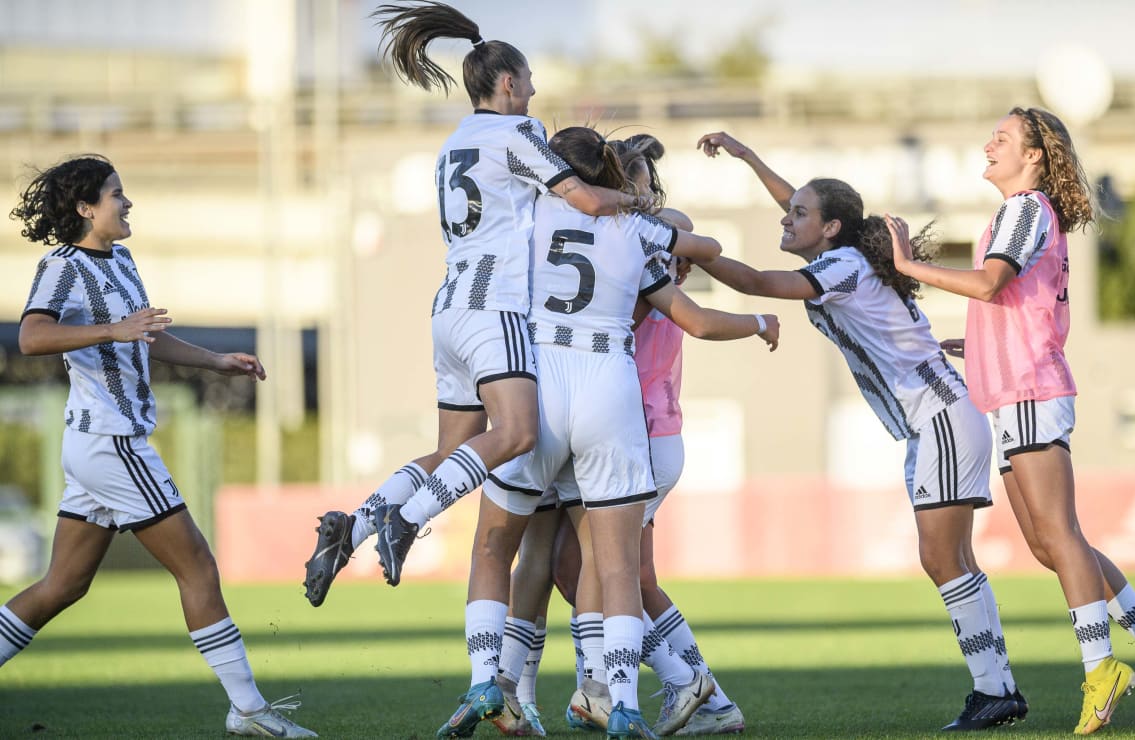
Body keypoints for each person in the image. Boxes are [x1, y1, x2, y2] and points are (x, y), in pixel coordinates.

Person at [302, 0, 652, 607]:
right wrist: (638, 205)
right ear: (510, 83)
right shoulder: (520, 132)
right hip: (496, 309)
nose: (536, 97)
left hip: (449, 310)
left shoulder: (453, 142)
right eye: (532, 84)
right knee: (515, 434)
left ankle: (353, 525)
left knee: (451, 450)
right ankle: (407, 519)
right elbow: (586, 202)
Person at [445, 125, 777, 740]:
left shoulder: (529, 223)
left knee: (534, 554)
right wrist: (640, 211)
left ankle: (527, 684)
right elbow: (700, 264)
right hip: (614, 403)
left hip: (559, 401)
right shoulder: (641, 232)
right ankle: (603, 695)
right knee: (586, 565)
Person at [696, 131, 1028, 731]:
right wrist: (748, 159)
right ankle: (996, 687)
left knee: (941, 557)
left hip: (941, 415)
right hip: (937, 418)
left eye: (800, 214)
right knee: (952, 558)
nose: (787, 217)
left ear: (829, 229)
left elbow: (756, 282)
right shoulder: (841, 252)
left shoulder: (844, 265)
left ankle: (994, 688)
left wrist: (685, 247)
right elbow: (798, 209)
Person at [885, 106, 1135, 735]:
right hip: (1015, 392)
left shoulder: (1027, 207)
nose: (988, 144)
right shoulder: (1018, 211)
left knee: (1060, 535)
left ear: (1033, 155)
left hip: (1030, 391)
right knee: (1050, 541)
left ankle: (1101, 667)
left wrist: (908, 265)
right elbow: (1018, 304)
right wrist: (974, 343)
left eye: (1001, 138)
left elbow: (992, 282)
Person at [1, 155, 315, 738]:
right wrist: (110, 331)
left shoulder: (120, 257)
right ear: (85, 208)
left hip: (97, 444)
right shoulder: (62, 267)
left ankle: (246, 709)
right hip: (112, 443)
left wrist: (215, 360)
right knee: (197, 566)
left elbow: (148, 338)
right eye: (117, 194)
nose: (127, 203)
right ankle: (246, 708)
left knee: (63, 585)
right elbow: (31, 335)